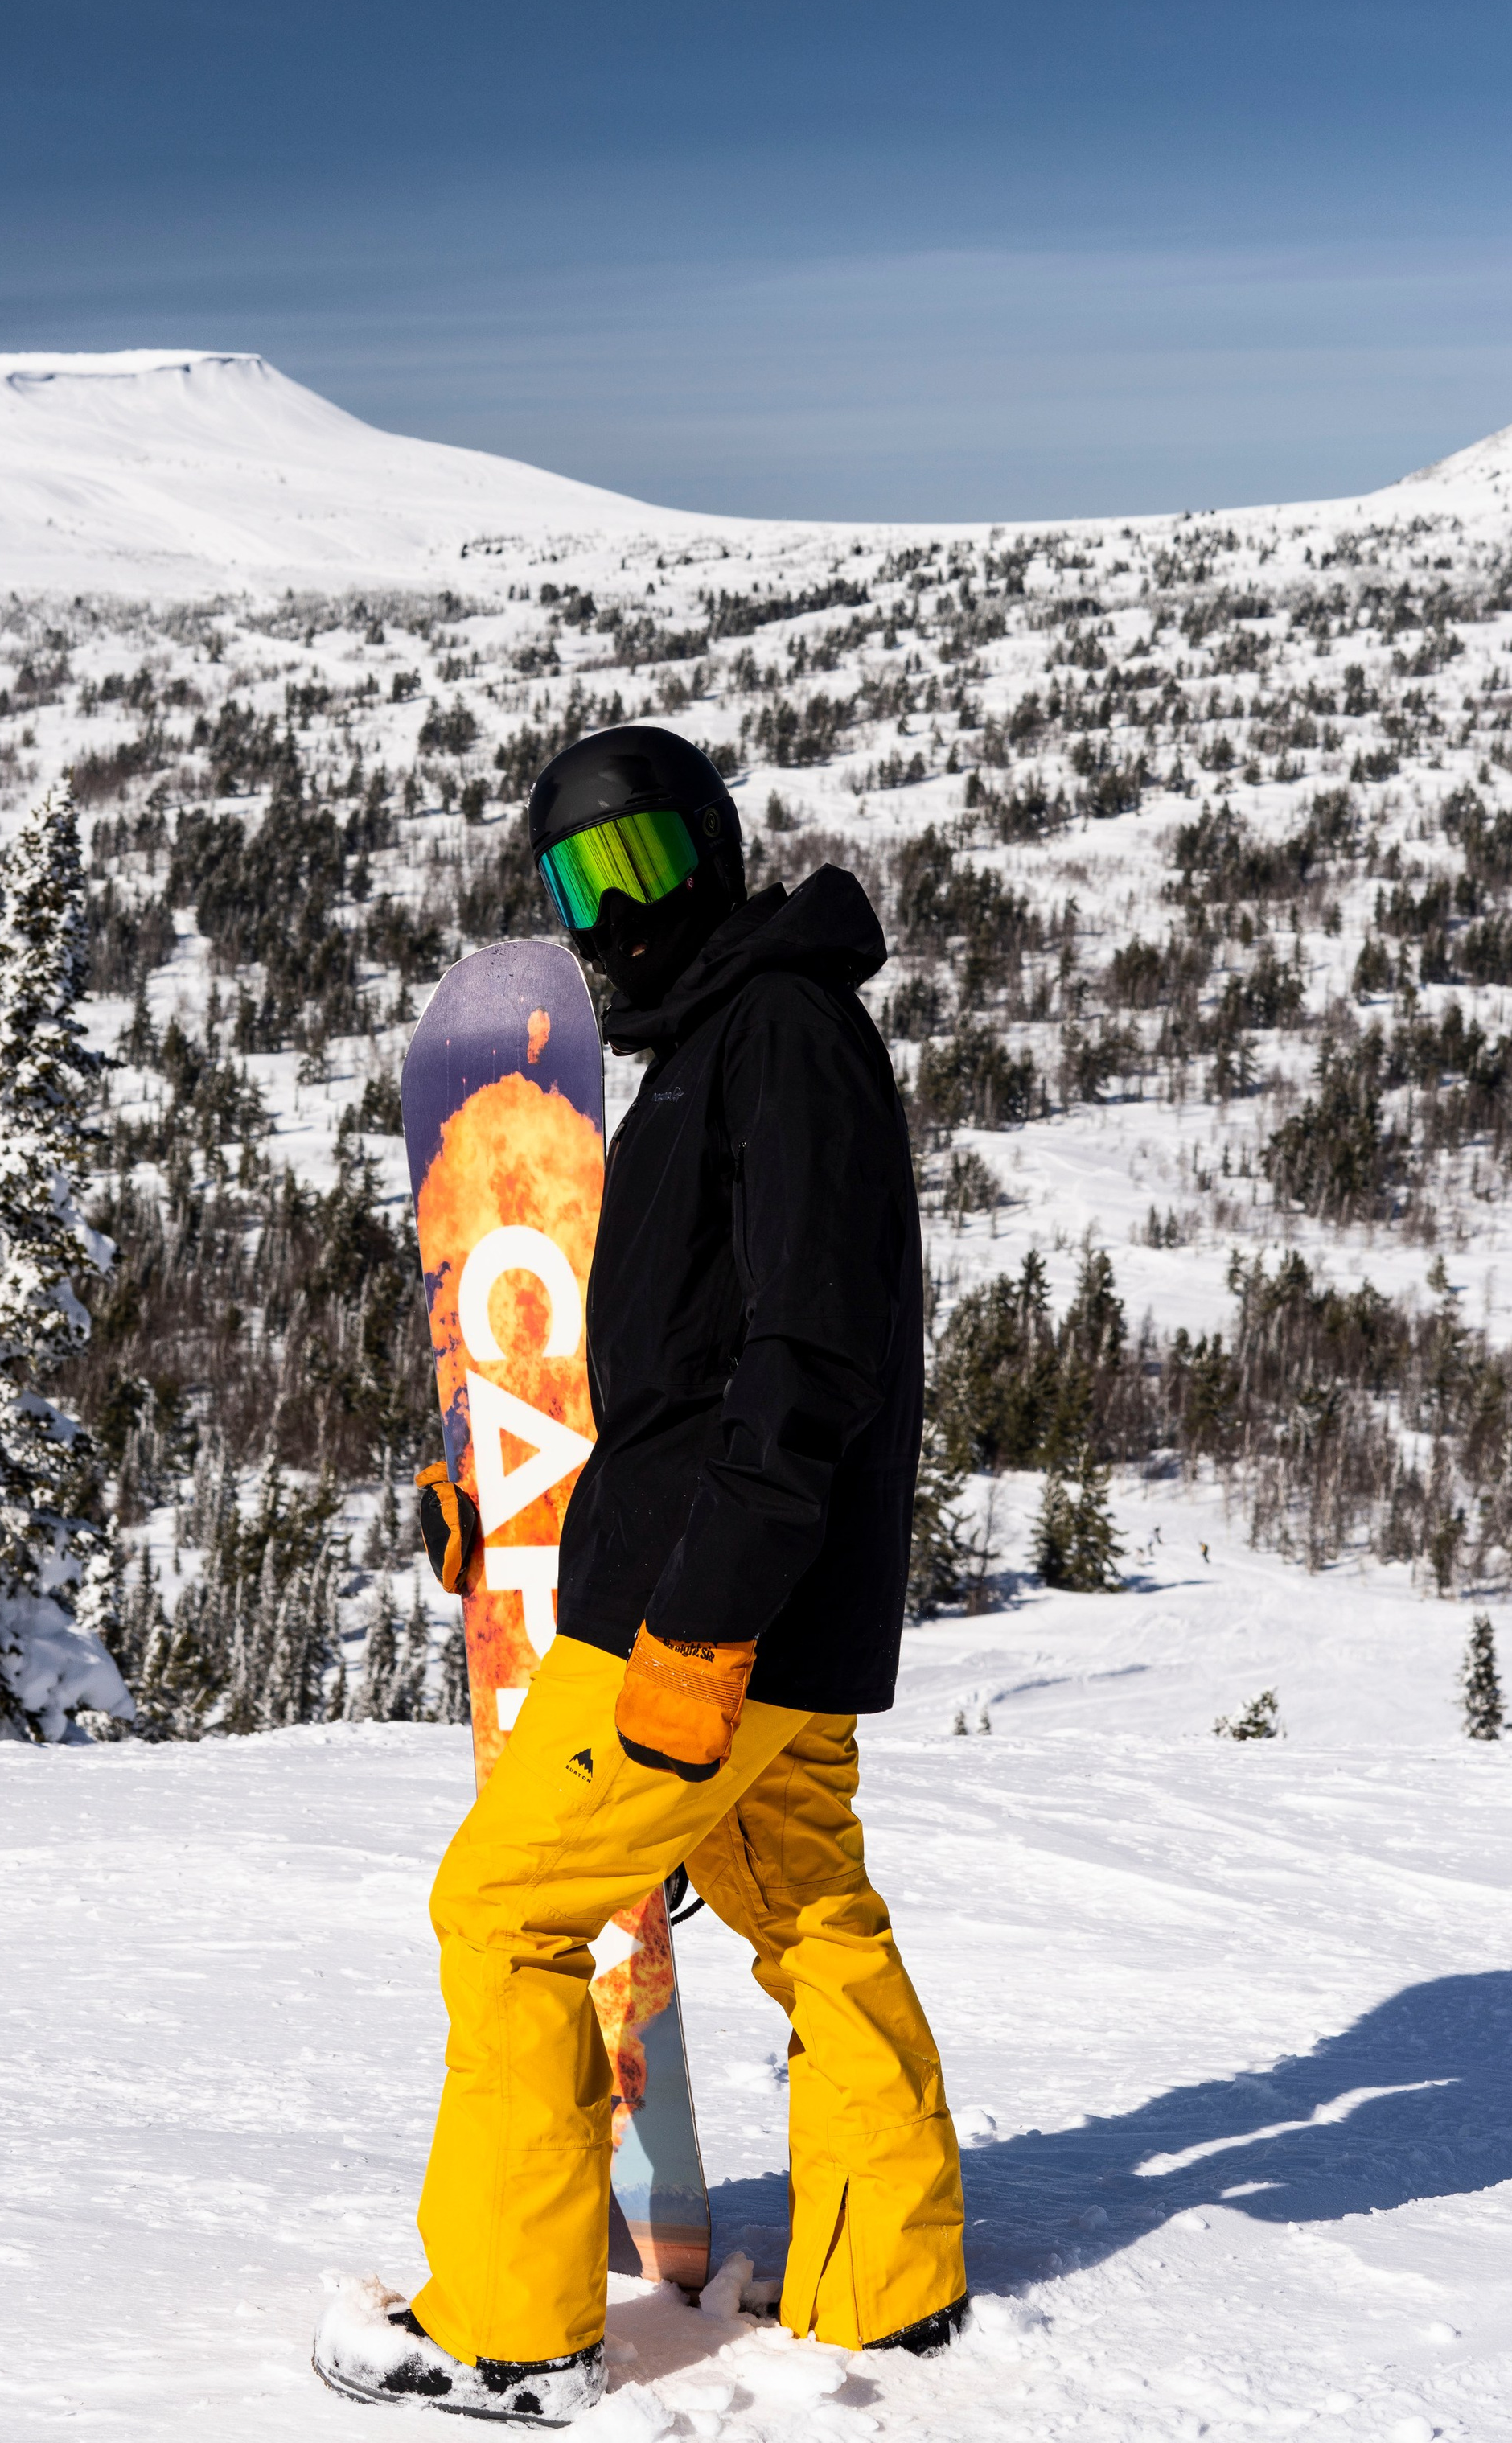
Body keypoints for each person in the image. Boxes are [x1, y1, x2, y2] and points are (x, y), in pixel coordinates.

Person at [315, 725, 965, 2420]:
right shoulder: (735, 1039)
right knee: (809, 1909)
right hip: (767, 1611)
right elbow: (678, 1372)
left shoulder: (775, 1037)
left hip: (712, 1617)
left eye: (642, 863)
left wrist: (694, 1618)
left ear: (715, 852)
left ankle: (509, 2328)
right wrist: (520, 1517)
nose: (616, 911)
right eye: (575, 882)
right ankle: (881, 2281)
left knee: (504, 1909)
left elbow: (802, 1359)